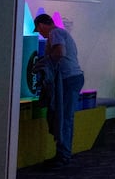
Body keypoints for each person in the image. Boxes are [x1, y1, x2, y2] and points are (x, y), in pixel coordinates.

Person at [33, 12, 84, 166]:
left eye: (38, 30)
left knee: (64, 117)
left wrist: (45, 63)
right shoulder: (62, 32)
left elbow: (60, 52)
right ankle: (63, 153)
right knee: (66, 117)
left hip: (68, 80)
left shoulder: (55, 33)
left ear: (41, 25)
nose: (40, 34)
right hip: (73, 78)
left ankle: (63, 155)